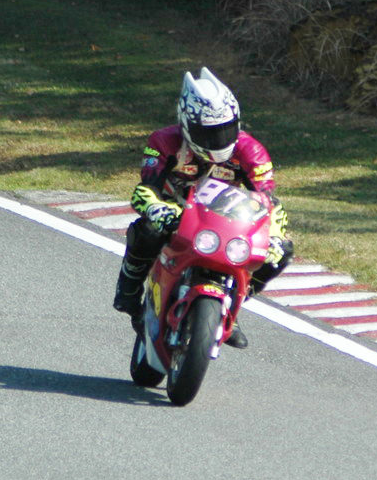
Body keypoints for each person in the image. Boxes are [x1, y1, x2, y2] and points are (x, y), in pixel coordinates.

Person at [112, 66, 294, 349]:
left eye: (225, 130)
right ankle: (129, 288)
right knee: (147, 230)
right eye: (208, 133)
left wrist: (275, 237)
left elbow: (269, 202)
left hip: (226, 221)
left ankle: (231, 304)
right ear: (187, 125)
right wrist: (158, 209)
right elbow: (144, 190)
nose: (218, 140)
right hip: (176, 212)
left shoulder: (253, 152)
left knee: (281, 253)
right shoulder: (163, 142)